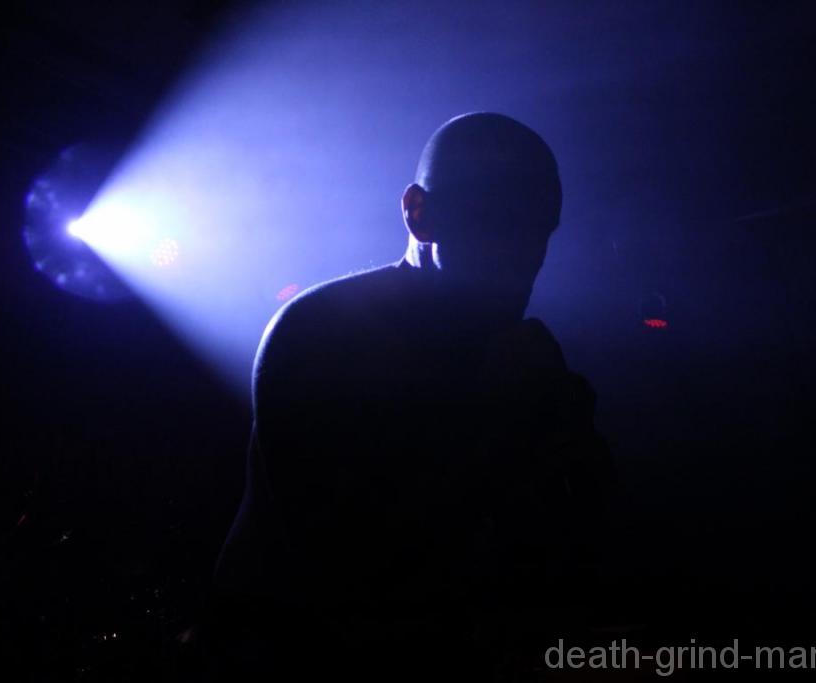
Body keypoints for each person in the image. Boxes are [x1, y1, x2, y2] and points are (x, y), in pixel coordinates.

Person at [207, 112, 613, 680]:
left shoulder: (515, 354)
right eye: (495, 221)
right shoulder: (323, 335)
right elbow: (348, 557)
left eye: (538, 227)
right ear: (419, 213)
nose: (520, 253)